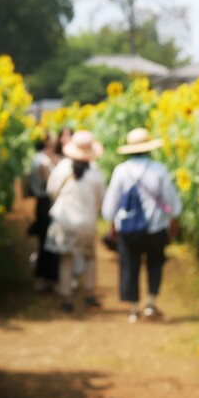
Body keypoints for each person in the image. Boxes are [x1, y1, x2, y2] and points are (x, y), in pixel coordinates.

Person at [102, 127, 181, 323]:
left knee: (129, 264)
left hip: (128, 228)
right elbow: (171, 199)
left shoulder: (121, 170)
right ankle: (151, 304)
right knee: (155, 263)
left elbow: (112, 201)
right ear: (148, 149)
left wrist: (112, 221)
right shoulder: (159, 169)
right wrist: (173, 219)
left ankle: (133, 308)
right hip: (155, 227)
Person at [45, 130, 106, 312]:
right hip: (87, 222)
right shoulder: (95, 172)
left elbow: (50, 190)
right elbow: (101, 200)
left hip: (64, 220)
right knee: (89, 257)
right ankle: (88, 294)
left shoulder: (62, 167)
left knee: (66, 258)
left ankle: (66, 297)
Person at [29, 132, 59, 292]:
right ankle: (45, 280)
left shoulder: (40, 158)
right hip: (46, 203)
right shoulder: (42, 161)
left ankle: (43, 279)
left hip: (43, 203)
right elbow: (51, 185)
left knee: (45, 241)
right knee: (48, 242)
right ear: (46, 141)